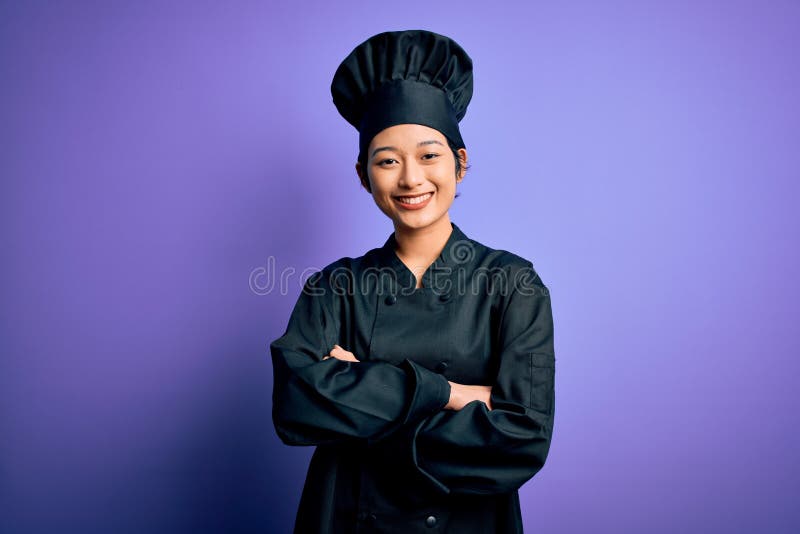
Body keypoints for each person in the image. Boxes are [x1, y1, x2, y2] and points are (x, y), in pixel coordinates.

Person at [270, 29, 556, 533]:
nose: (409, 179)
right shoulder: (334, 287)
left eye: (429, 155)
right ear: (364, 176)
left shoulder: (513, 284)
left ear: (460, 165)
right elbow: (296, 405)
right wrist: (452, 393)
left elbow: (522, 437)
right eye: (387, 161)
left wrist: (362, 397)